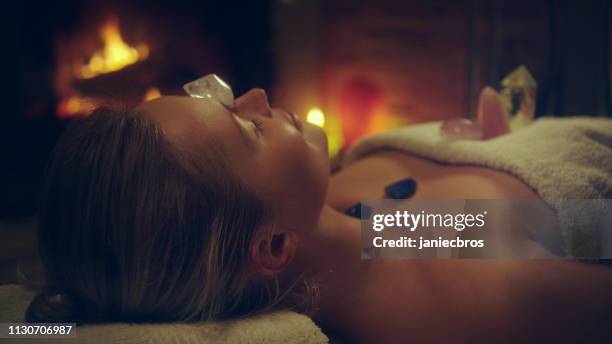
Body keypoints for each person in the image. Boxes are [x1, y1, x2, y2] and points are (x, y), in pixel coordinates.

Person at [26, 87, 612, 342]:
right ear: (275, 248)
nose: (258, 97)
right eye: (247, 127)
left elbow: (32, 327)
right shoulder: (475, 290)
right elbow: (588, 230)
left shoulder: (362, 230)